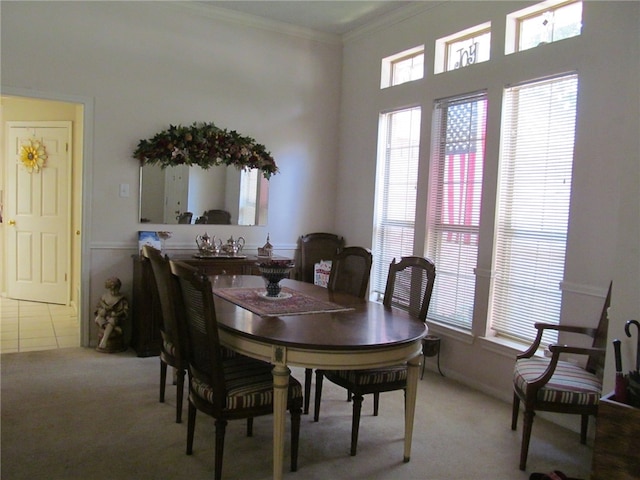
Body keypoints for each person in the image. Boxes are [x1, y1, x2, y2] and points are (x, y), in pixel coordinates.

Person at [94, 277, 128, 351]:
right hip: (105, 317)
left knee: (112, 320)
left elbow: (125, 311)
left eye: (116, 289)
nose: (114, 291)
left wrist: (116, 314)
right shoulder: (104, 296)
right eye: (112, 289)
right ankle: (115, 329)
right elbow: (98, 308)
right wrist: (101, 311)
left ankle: (104, 340)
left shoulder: (122, 298)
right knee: (97, 319)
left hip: (115, 318)